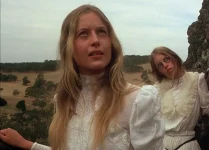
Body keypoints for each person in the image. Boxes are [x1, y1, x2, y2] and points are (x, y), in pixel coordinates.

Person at [0, 4, 164, 150]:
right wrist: (27, 144)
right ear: (69, 47)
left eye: (102, 32)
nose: (95, 40)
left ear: (111, 43)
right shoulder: (63, 101)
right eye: (83, 34)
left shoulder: (138, 100)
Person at [149, 46, 209, 150]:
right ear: (158, 70)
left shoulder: (196, 79)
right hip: (161, 146)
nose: (165, 65)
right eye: (160, 65)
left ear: (174, 57)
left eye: (166, 59)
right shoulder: (156, 89)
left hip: (187, 144)